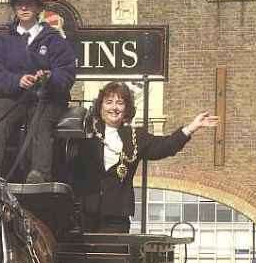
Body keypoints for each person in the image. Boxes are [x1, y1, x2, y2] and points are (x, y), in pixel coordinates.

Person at [74, 81, 219, 233]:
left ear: (126, 109)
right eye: (109, 102)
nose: (114, 108)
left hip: (117, 216)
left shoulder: (136, 136)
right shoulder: (86, 133)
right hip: (85, 214)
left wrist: (191, 128)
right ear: (101, 106)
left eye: (120, 103)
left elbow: (165, 146)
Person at [0, 0, 76, 183]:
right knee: (0, 121)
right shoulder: (3, 40)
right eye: (19, 4)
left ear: (37, 8)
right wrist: (17, 81)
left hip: (47, 98)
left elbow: (68, 71)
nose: (24, 8)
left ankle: (39, 174)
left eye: (29, 3)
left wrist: (49, 78)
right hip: (15, 97)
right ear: (14, 8)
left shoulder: (53, 39)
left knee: (40, 124)